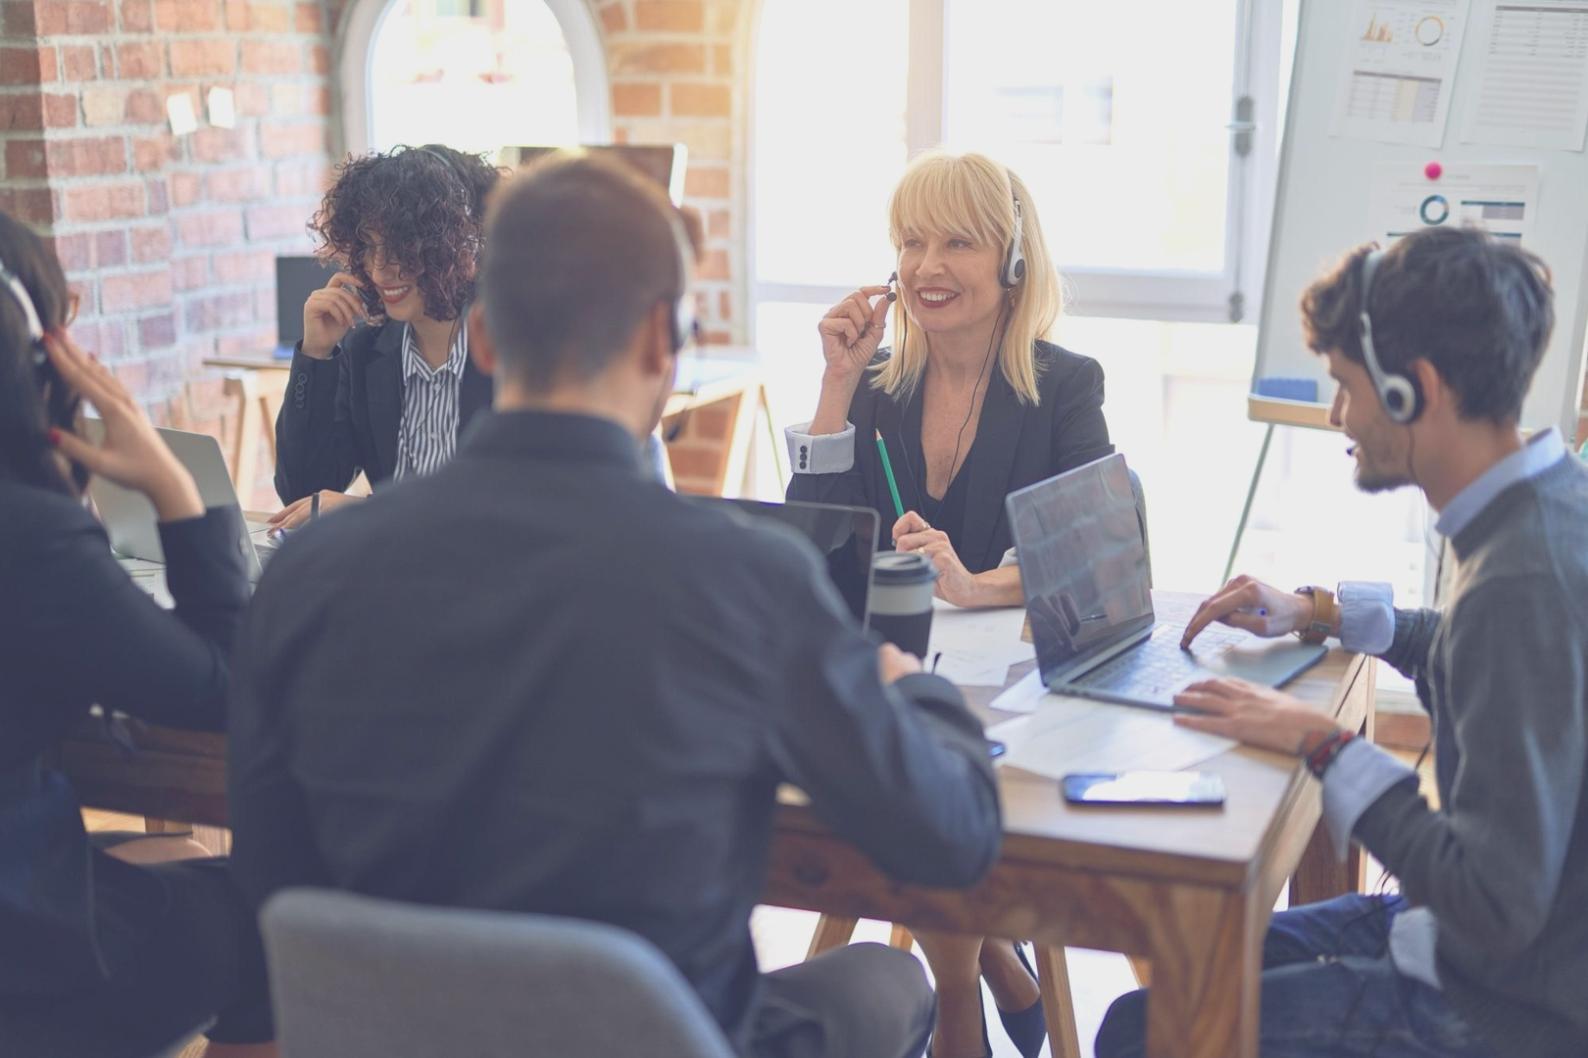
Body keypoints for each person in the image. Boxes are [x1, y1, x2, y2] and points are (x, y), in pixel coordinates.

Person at [227, 152, 1003, 1058]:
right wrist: (909, 689)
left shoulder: (307, 576)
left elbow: (266, 909)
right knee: (891, 979)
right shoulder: (747, 580)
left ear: (482, 339)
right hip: (664, 1038)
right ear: (660, 347)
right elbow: (950, 841)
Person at [1097, 226, 1587, 1058]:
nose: (1335, 416)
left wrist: (1322, 744)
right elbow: (1477, 660)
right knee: (1179, 974)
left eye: (1345, 387)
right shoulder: (1546, 500)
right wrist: (1319, 613)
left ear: (1412, 391)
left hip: (1499, 1005)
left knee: (1145, 1031)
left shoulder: (1518, 579)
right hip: (1483, 951)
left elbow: (1496, 905)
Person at [0, 212, 274, 1057]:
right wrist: (175, 493)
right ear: (40, 355)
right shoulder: (31, 540)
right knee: (267, 914)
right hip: (30, 966)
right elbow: (231, 690)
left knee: (168, 855)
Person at [786, 151, 1114, 610]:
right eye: (913, 242)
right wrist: (837, 383)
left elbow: (1096, 558)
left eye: (958, 243)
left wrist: (974, 588)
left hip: (1006, 665)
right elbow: (809, 551)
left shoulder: (1066, 388)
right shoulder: (871, 383)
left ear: (1014, 263)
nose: (925, 268)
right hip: (885, 659)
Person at [270, 143, 501, 529]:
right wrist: (317, 353)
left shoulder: (513, 349)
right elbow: (303, 492)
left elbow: (506, 508)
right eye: (369, 248)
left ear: (453, 245)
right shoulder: (368, 350)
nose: (379, 271)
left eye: (400, 248)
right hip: (395, 576)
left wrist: (369, 512)